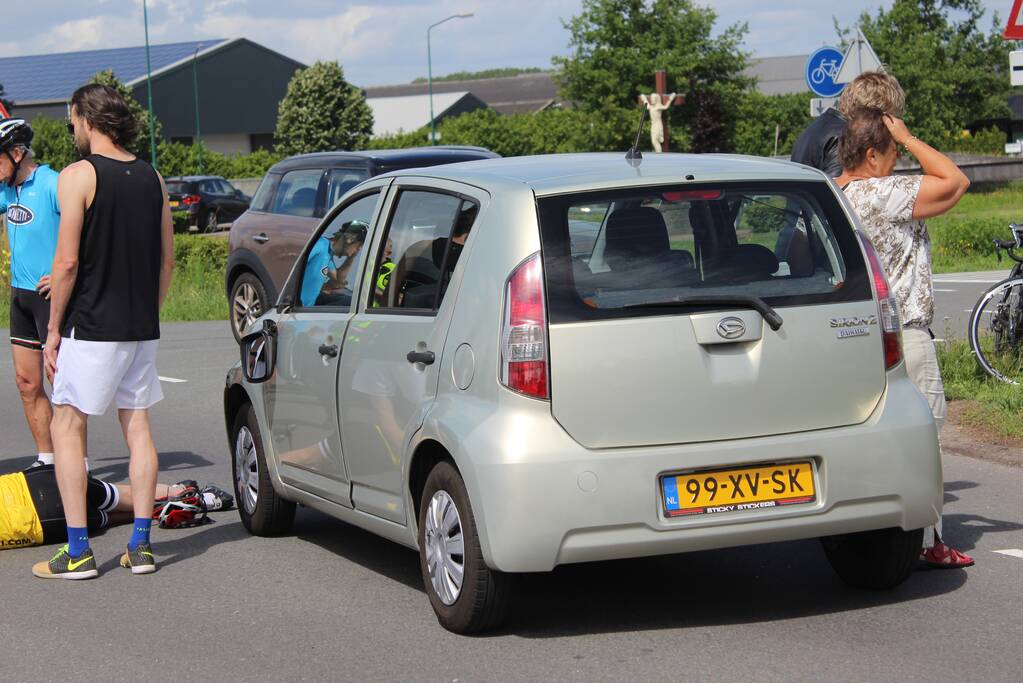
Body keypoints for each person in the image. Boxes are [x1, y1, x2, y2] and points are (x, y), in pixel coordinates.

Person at [31, 84, 175, 580]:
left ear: (87, 120)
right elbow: (167, 260)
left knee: (67, 426)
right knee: (137, 427)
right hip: (140, 326)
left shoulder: (78, 176)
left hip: (91, 326)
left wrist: (52, 330)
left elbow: (67, 262)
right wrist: (146, 314)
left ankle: (78, 551)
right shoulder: (153, 178)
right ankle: (140, 545)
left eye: (73, 120)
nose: (72, 129)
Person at [835, 107, 974, 568]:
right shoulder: (883, 192)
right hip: (904, 335)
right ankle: (929, 541)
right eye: (894, 153)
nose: (899, 161)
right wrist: (912, 138)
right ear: (872, 154)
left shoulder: (831, 195)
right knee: (924, 437)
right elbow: (955, 182)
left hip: (848, 335)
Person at [0, 118, 67, 470]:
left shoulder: (54, 184)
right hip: (19, 298)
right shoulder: (7, 189)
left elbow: (90, 233)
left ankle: (76, 461)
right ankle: (47, 458)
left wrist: (62, 275)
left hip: (51, 298)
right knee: (28, 383)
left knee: (63, 387)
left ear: (16, 153)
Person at [1, 464, 233, 557]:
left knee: (113, 516)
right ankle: (185, 493)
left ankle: (196, 500)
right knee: (123, 496)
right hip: (29, 484)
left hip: (40, 521)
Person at [791, 71, 906, 177]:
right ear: (874, 113)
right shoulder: (843, 137)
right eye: (888, 118)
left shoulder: (820, 126)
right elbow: (839, 193)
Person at [299, 219, 368, 307]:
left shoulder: (328, 254)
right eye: (359, 246)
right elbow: (296, 266)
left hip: (309, 304)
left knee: (350, 301)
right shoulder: (319, 244)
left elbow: (338, 281)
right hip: (300, 308)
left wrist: (351, 258)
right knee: (347, 303)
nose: (358, 250)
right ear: (350, 239)